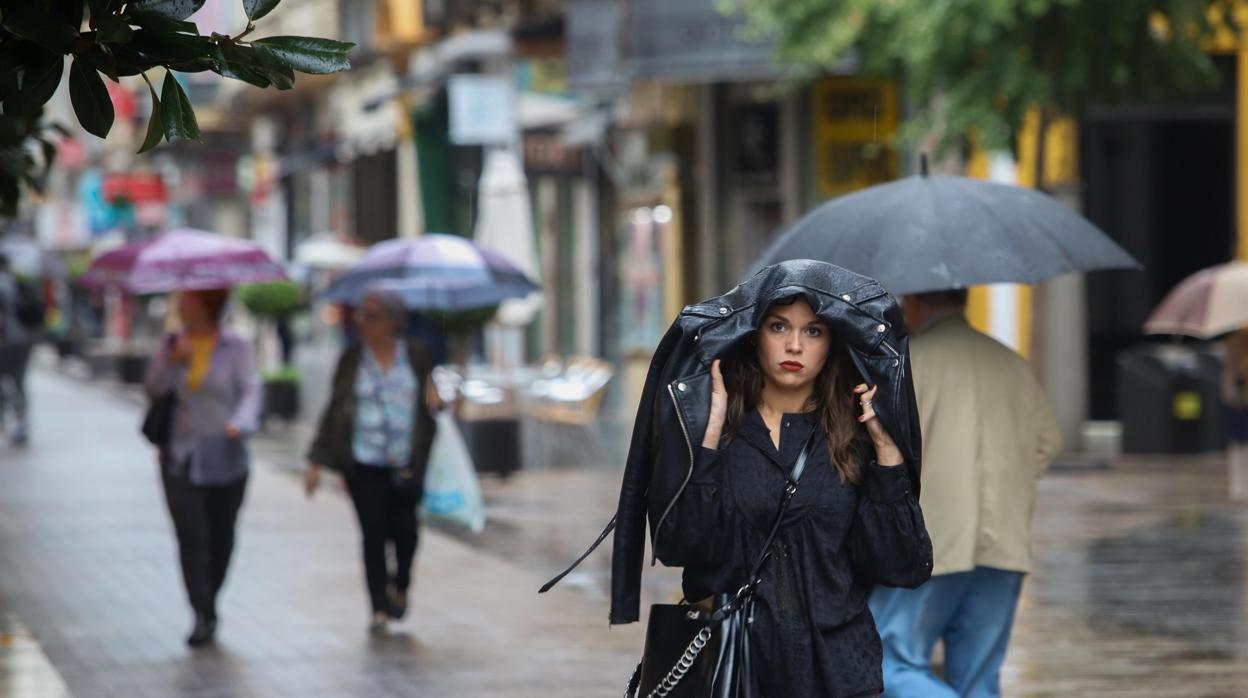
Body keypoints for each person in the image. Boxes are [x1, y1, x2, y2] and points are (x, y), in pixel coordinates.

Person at [544, 260, 933, 697]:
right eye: (779, 327)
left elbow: (901, 565)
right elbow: (680, 546)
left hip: (836, 670)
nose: (795, 346)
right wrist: (707, 440)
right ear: (755, 335)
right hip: (731, 666)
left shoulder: (853, 440)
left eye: (813, 331)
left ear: (831, 344)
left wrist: (887, 456)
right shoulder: (718, 435)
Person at [869, 290, 1061, 698]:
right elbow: (1048, 441)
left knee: (886, 663)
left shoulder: (910, 362)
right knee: (979, 679)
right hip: (1004, 543)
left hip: (931, 543)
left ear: (915, 304)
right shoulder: (1010, 362)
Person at [305, 290, 442, 634]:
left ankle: (401, 583)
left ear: (393, 322)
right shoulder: (352, 358)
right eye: (360, 315)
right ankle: (379, 606)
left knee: (406, 532)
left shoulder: (416, 356)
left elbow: (433, 405)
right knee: (373, 532)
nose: (362, 322)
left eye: (371, 315)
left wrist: (437, 400)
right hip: (363, 461)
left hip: (407, 460)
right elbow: (335, 410)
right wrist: (315, 461)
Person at [144, 289, 261, 648]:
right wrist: (173, 360)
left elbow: (251, 390)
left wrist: (240, 423)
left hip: (226, 454)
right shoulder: (171, 344)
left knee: (221, 534)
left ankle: (210, 595)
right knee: (191, 534)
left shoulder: (235, 346)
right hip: (181, 455)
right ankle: (202, 610)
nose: (182, 306)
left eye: (189, 300)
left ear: (207, 305)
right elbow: (152, 388)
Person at [0, 253, 39, 445]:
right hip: (22, 340)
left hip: (5, 342)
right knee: (19, 382)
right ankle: (22, 422)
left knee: (5, 383)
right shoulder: (16, 282)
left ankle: (8, 422)